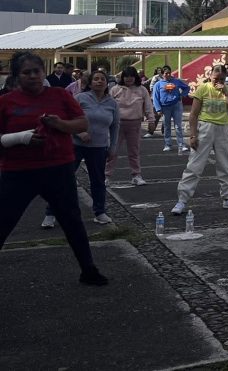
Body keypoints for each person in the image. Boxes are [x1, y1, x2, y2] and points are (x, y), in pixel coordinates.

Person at [0, 52, 107, 285]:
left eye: (36, 71)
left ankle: (88, 270)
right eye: (26, 72)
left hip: (57, 168)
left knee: (72, 220)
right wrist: (22, 138)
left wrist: (60, 124)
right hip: (18, 171)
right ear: (17, 76)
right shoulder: (6, 102)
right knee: (3, 221)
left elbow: (82, 123)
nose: (33, 76)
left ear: (43, 72)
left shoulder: (60, 95)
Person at [42, 70, 119, 227]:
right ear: (90, 83)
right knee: (63, 179)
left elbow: (115, 126)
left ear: (107, 83)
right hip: (75, 145)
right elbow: (66, 119)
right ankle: (51, 213)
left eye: (102, 79)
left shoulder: (112, 103)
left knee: (98, 181)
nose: (99, 81)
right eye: (96, 79)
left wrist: (113, 148)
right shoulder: (80, 98)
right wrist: (79, 132)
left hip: (99, 147)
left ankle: (100, 212)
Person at [171, 64, 228, 216]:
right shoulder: (203, 88)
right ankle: (182, 199)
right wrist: (193, 135)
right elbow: (193, 114)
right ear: (210, 76)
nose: (218, 82)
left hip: (224, 128)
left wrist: (225, 92)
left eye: (222, 79)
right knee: (195, 164)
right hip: (205, 127)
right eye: (216, 78)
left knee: (226, 164)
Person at [107, 66, 154, 186]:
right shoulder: (114, 89)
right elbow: (108, 106)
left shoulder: (142, 90)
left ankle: (136, 175)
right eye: (126, 76)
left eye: (131, 76)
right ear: (122, 77)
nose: (129, 79)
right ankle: (106, 176)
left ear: (135, 77)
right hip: (117, 124)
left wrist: (151, 120)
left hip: (135, 124)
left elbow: (148, 106)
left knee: (134, 151)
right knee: (112, 151)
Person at [153, 66, 190, 153]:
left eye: (169, 73)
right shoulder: (158, 84)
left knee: (178, 126)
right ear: (162, 74)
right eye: (166, 73)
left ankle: (181, 145)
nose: (168, 75)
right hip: (165, 107)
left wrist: (182, 95)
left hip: (176, 106)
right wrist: (158, 109)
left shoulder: (176, 81)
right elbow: (155, 97)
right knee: (167, 126)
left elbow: (187, 87)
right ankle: (168, 144)